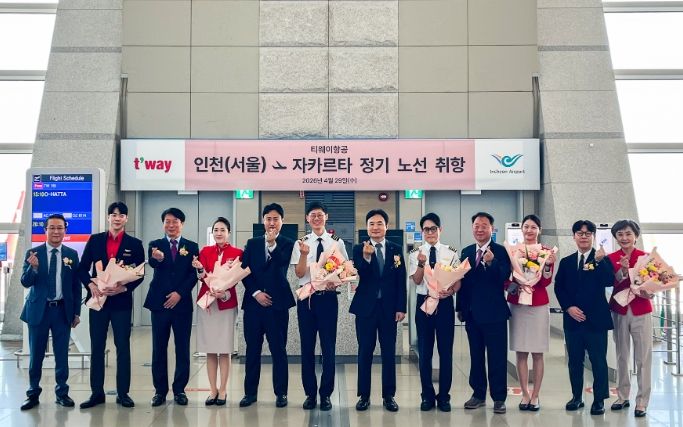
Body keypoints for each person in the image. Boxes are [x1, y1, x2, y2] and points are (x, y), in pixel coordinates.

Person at [78, 202, 145, 409]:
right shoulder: (96, 240)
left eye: (121, 215)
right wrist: (91, 285)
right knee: (97, 347)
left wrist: (123, 288)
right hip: (98, 301)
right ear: (108, 217)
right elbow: (82, 269)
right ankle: (96, 393)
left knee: (122, 347)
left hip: (121, 303)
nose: (117, 218)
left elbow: (140, 273)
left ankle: (123, 393)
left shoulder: (135, 244)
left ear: (126, 219)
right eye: (114, 215)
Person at [20, 214, 82, 410]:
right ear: (45, 230)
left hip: (62, 311)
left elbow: (76, 286)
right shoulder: (33, 253)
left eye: (60, 228)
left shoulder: (71, 254)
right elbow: (25, 282)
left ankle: (62, 393)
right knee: (36, 354)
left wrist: (77, 312)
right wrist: (33, 268)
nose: (56, 231)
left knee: (62, 354)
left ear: (65, 230)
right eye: (52, 228)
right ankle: (32, 393)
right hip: (38, 310)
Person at [291, 202, 348, 411]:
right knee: (307, 347)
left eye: (320, 215)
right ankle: (310, 394)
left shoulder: (337, 242)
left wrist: (336, 281)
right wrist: (303, 254)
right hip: (306, 299)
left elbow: (344, 271)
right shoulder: (301, 243)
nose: (316, 218)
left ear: (326, 217)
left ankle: (326, 394)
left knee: (328, 348)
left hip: (328, 299)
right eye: (312, 215)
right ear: (307, 219)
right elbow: (299, 273)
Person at [554, 220, 614, 416]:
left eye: (588, 233)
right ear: (574, 237)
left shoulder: (602, 259)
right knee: (574, 361)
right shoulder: (566, 262)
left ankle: (599, 400)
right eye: (580, 233)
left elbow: (609, 280)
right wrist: (568, 307)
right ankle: (576, 397)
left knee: (598, 361)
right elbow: (559, 287)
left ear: (593, 237)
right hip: (573, 320)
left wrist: (599, 261)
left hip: (596, 320)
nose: (584, 236)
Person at [239, 203, 295, 409]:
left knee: (278, 350)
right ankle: (250, 393)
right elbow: (244, 271)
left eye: (275, 219)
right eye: (268, 219)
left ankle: (281, 393)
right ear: (263, 221)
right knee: (252, 349)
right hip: (254, 305)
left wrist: (272, 244)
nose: (272, 223)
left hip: (277, 305)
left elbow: (281, 264)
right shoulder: (252, 243)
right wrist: (256, 293)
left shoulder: (288, 243)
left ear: (282, 222)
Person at [351, 209, 406, 412]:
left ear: (386, 226)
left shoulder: (396, 249)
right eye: (371, 224)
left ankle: (389, 396)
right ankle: (364, 396)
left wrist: (401, 307)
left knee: (389, 352)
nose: (375, 227)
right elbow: (361, 275)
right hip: (366, 309)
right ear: (367, 227)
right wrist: (366, 258)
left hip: (389, 310)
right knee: (365, 351)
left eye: (379, 223)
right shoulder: (359, 248)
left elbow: (401, 279)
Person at [456, 212, 511, 414]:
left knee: (497, 357)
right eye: (476, 226)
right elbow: (462, 282)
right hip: (472, 314)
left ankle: (499, 398)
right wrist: (460, 308)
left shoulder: (501, 251)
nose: (480, 229)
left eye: (484, 226)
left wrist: (491, 262)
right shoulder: (466, 251)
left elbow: (504, 277)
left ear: (492, 229)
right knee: (476, 356)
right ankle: (478, 394)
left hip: (495, 314)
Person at [144, 207, 199, 407]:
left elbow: (193, 274)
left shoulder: (191, 246)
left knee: (182, 348)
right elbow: (153, 263)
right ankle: (159, 391)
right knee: (158, 348)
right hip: (159, 305)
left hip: (182, 305)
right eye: (167, 221)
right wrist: (156, 258)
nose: (171, 225)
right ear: (163, 224)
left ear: (181, 224)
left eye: (175, 221)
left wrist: (179, 293)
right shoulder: (155, 245)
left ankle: (179, 390)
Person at [409, 212, 459, 412]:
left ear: (440, 230)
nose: (430, 232)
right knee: (425, 352)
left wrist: (451, 290)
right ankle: (427, 396)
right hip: (424, 304)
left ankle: (444, 396)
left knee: (446, 352)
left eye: (433, 228)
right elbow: (416, 280)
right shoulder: (415, 253)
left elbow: (458, 280)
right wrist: (421, 263)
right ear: (422, 232)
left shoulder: (450, 252)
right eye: (426, 229)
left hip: (444, 304)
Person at [507, 214, 556, 412]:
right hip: (518, 304)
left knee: (537, 352)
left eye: (533, 227)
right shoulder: (513, 251)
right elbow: (506, 279)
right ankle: (524, 394)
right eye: (526, 226)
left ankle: (535, 395)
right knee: (520, 351)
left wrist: (549, 265)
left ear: (539, 230)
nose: (529, 230)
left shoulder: (546, 252)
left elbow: (546, 281)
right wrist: (515, 285)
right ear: (521, 229)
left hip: (538, 304)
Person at [192, 217, 242, 406]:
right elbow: (202, 277)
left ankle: (223, 390)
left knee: (224, 349)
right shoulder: (205, 251)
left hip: (226, 304)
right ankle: (212, 390)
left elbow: (236, 279)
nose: (219, 233)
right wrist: (199, 269)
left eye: (222, 230)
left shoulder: (237, 253)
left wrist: (224, 293)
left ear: (228, 232)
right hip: (208, 303)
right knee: (211, 349)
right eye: (216, 230)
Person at [607, 219, 652, 418]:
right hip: (620, 310)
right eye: (620, 234)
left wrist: (650, 292)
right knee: (622, 354)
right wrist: (623, 270)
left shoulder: (646, 258)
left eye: (628, 234)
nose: (624, 238)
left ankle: (642, 401)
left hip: (641, 309)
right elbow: (611, 282)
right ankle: (623, 395)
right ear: (615, 238)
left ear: (636, 236)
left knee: (643, 357)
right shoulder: (611, 258)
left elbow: (653, 283)